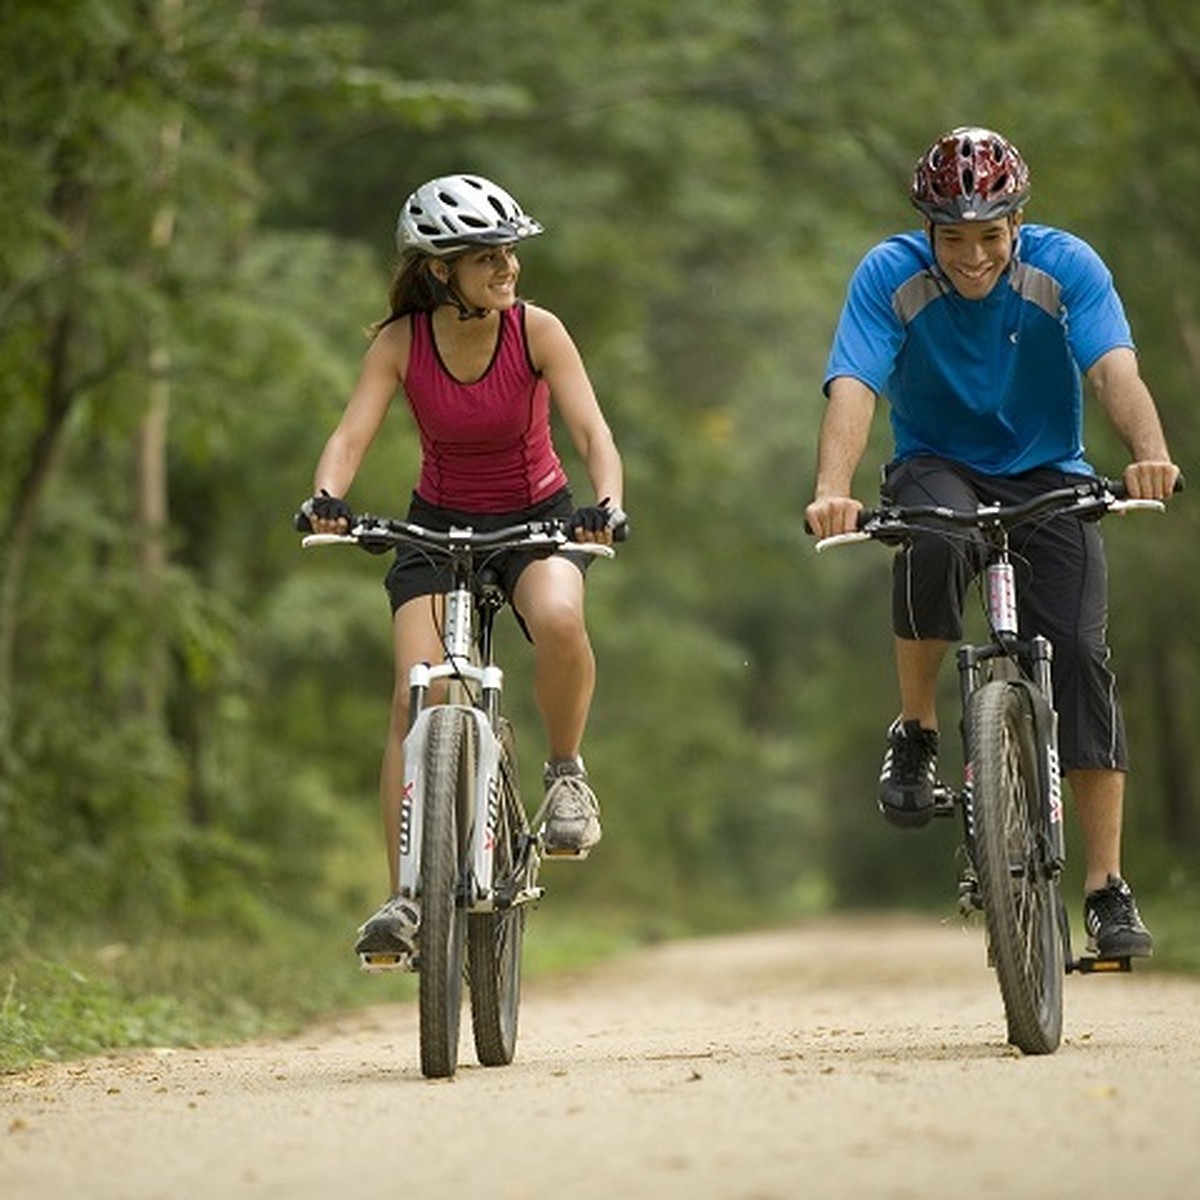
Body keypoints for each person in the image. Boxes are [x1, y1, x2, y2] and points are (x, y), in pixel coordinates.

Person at [804, 126, 1180, 959]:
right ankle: (917, 730)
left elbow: (1114, 367)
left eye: (989, 235)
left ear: (1018, 223)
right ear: (927, 230)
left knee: (1081, 655)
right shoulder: (889, 275)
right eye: (953, 237)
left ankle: (1107, 889)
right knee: (930, 541)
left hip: (1050, 469)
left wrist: (1147, 453)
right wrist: (835, 490)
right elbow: (854, 386)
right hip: (937, 463)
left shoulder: (1067, 266)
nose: (972, 256)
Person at [299, 173, 626, 960]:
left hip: (536, 516)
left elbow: (593, 436)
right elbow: (350, 437)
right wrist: (325, 497)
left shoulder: (537, 331)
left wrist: (606, 503)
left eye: (510, 251)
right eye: (486, 257)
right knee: (419, 695)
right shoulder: (402, 343)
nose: (507, 267)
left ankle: (565, 771)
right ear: (441, 270)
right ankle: (406, 902)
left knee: (557, 617)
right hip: (436, 526)